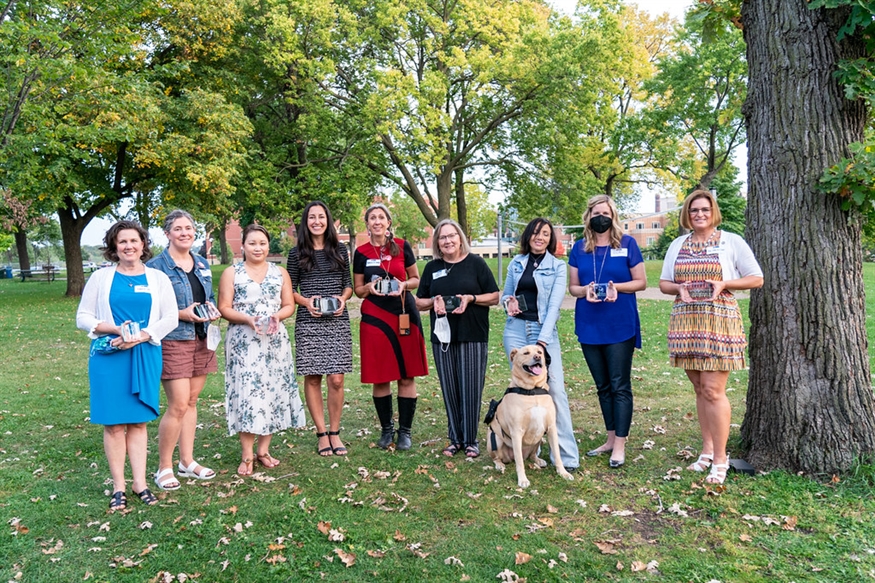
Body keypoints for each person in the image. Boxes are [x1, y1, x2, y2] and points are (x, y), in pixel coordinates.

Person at [659, 189, 763, 485]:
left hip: (719, 321)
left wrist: (725, 282)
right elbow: (665, 282)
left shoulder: (732, 241)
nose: (699, 215)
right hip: (686, 321)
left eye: (705, 210)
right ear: (687, 215)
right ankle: (706, 452)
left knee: (714, 390)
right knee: (699, 388)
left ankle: (721, 459)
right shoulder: (678, 244)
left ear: (713, 212)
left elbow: (756, 278)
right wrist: (678, 288)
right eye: (694, 211)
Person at [76, 220, 178, 510]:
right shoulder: (101, 278)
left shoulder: (158, 278)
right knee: (112, 424)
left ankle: (140, 483)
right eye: (122, 242)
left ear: (143, 244)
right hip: (109, 357)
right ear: (114, 246)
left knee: (137, 421)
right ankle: (118, 486)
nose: (129, 246)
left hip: (144, 353)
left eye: (134, 241)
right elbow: (82, 316)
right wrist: (115, 330)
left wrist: (141, 336)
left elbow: (169, 317)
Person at [218, 224, 306, 476]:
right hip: (244, 341)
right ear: (243, 246)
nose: (258, 248)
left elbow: (289, 304)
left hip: (274, 340)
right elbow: (224, 307)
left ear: (269, 246)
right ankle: (247, 454)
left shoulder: (280, 273)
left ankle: (264, 450)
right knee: (248, 393)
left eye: (263, 243)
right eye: (253, 243)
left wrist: (277, 316)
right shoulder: (231, 273)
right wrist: (248, 319)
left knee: (272, 391)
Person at [568, 195, 646, 468]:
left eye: (606, 212)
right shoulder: (579, 248)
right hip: (589, 324)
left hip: (619, 323)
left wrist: (617, 287)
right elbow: (573, 288)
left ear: (613, 216)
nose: (601, 217)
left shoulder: (628, 244)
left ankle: (621, 444)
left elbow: (641, 282)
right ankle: (610, 438)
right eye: (595, 212)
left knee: (619, 384)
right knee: (602, 386)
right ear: (588, 217)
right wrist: (585, 291)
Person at [147, 210, 221, 491]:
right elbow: (152, 310)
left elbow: (207, 296)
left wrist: (210, 310)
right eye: (178, 229)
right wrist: (182, 314)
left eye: (189, 228)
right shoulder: (156, 268)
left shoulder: (201, 263)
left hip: (202, 339)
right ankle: (164, 467)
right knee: (177, 404)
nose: (184, 233)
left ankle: (186, 461)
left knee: (191, 401)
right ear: (167, 234)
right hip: (173, 340)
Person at [416, 219, 500, 458]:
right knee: (450, 388)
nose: (448, 240)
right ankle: (455, 438)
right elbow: (419, 301)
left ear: (460, 238)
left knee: (471, 387)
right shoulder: (432, 268)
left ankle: (470, 439)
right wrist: (434, 302)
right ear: (437, 243)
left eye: (452, 235)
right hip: (442, 337)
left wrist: (471, 298)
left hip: (472, 333)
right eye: (443, 237)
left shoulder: (476, 264)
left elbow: (494, 296)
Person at [502, 218, 580, 471]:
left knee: (554, 391)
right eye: (536, 233)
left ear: (550, 239)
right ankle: (529, 447)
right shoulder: (516, 263)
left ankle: (566, 456)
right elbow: (506, 294)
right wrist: (508, 303)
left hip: (542, 332)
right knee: (523, 389)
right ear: (528, 236)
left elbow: (554, 306)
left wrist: (542, 344)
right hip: (515, 332)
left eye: (545, 234)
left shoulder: (558, 266)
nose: (540, 237)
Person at [353, 203, 428, 451]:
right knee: (381, 376)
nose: (377, 221)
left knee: (407, 374)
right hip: (375, 318)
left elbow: (416, 279)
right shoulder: (361, 252)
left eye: (381, 217)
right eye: (372, 218)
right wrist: (369, 289)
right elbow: (358, 290)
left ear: (388, 222)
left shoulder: (402, 246)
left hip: (404, 314)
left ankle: (405, 432)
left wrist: (403, 285)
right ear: (367, 224)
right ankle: (387, 430)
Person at [287, 201, 353, 457]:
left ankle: (335, 432)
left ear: (329, 220)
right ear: (306, 221)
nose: (317, 221)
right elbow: (290, 289)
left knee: (336, 379)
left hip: (337, 318)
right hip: (309, 319)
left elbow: (347, 283)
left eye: (321, 217)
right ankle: (321, 433)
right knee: (313, 377)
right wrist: (306, 302)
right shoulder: (296, 254)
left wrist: (343, 299)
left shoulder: (340, 249)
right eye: (312, 217)